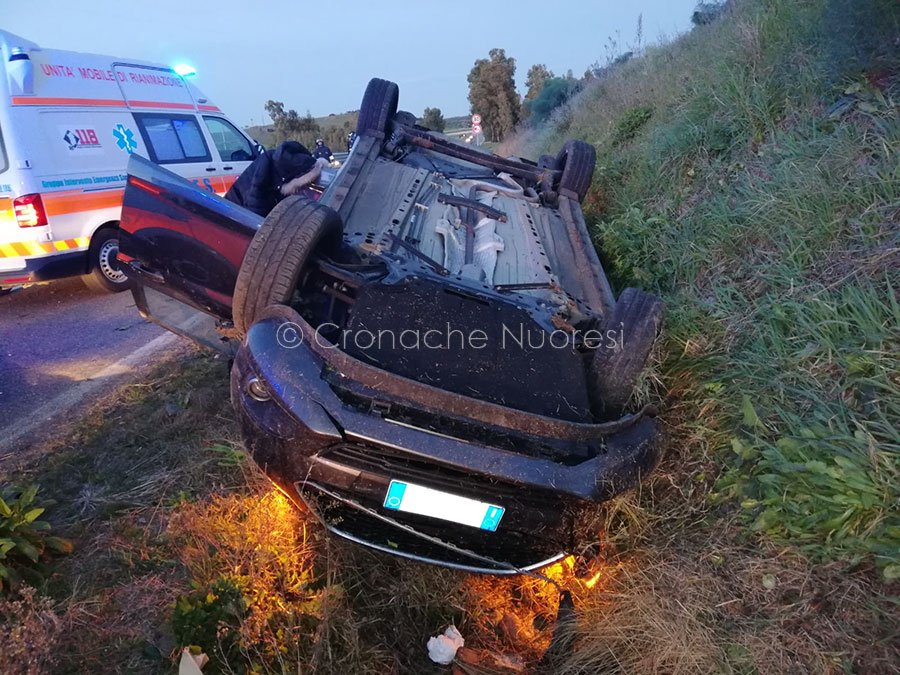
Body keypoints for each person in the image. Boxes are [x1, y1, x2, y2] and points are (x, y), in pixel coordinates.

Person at [225, 141, 328, 217]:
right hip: (231, 213)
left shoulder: (284, 169)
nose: (302, 189)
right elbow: (255, 214)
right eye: (302, 185)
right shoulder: (264, 174)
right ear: (295, 179)